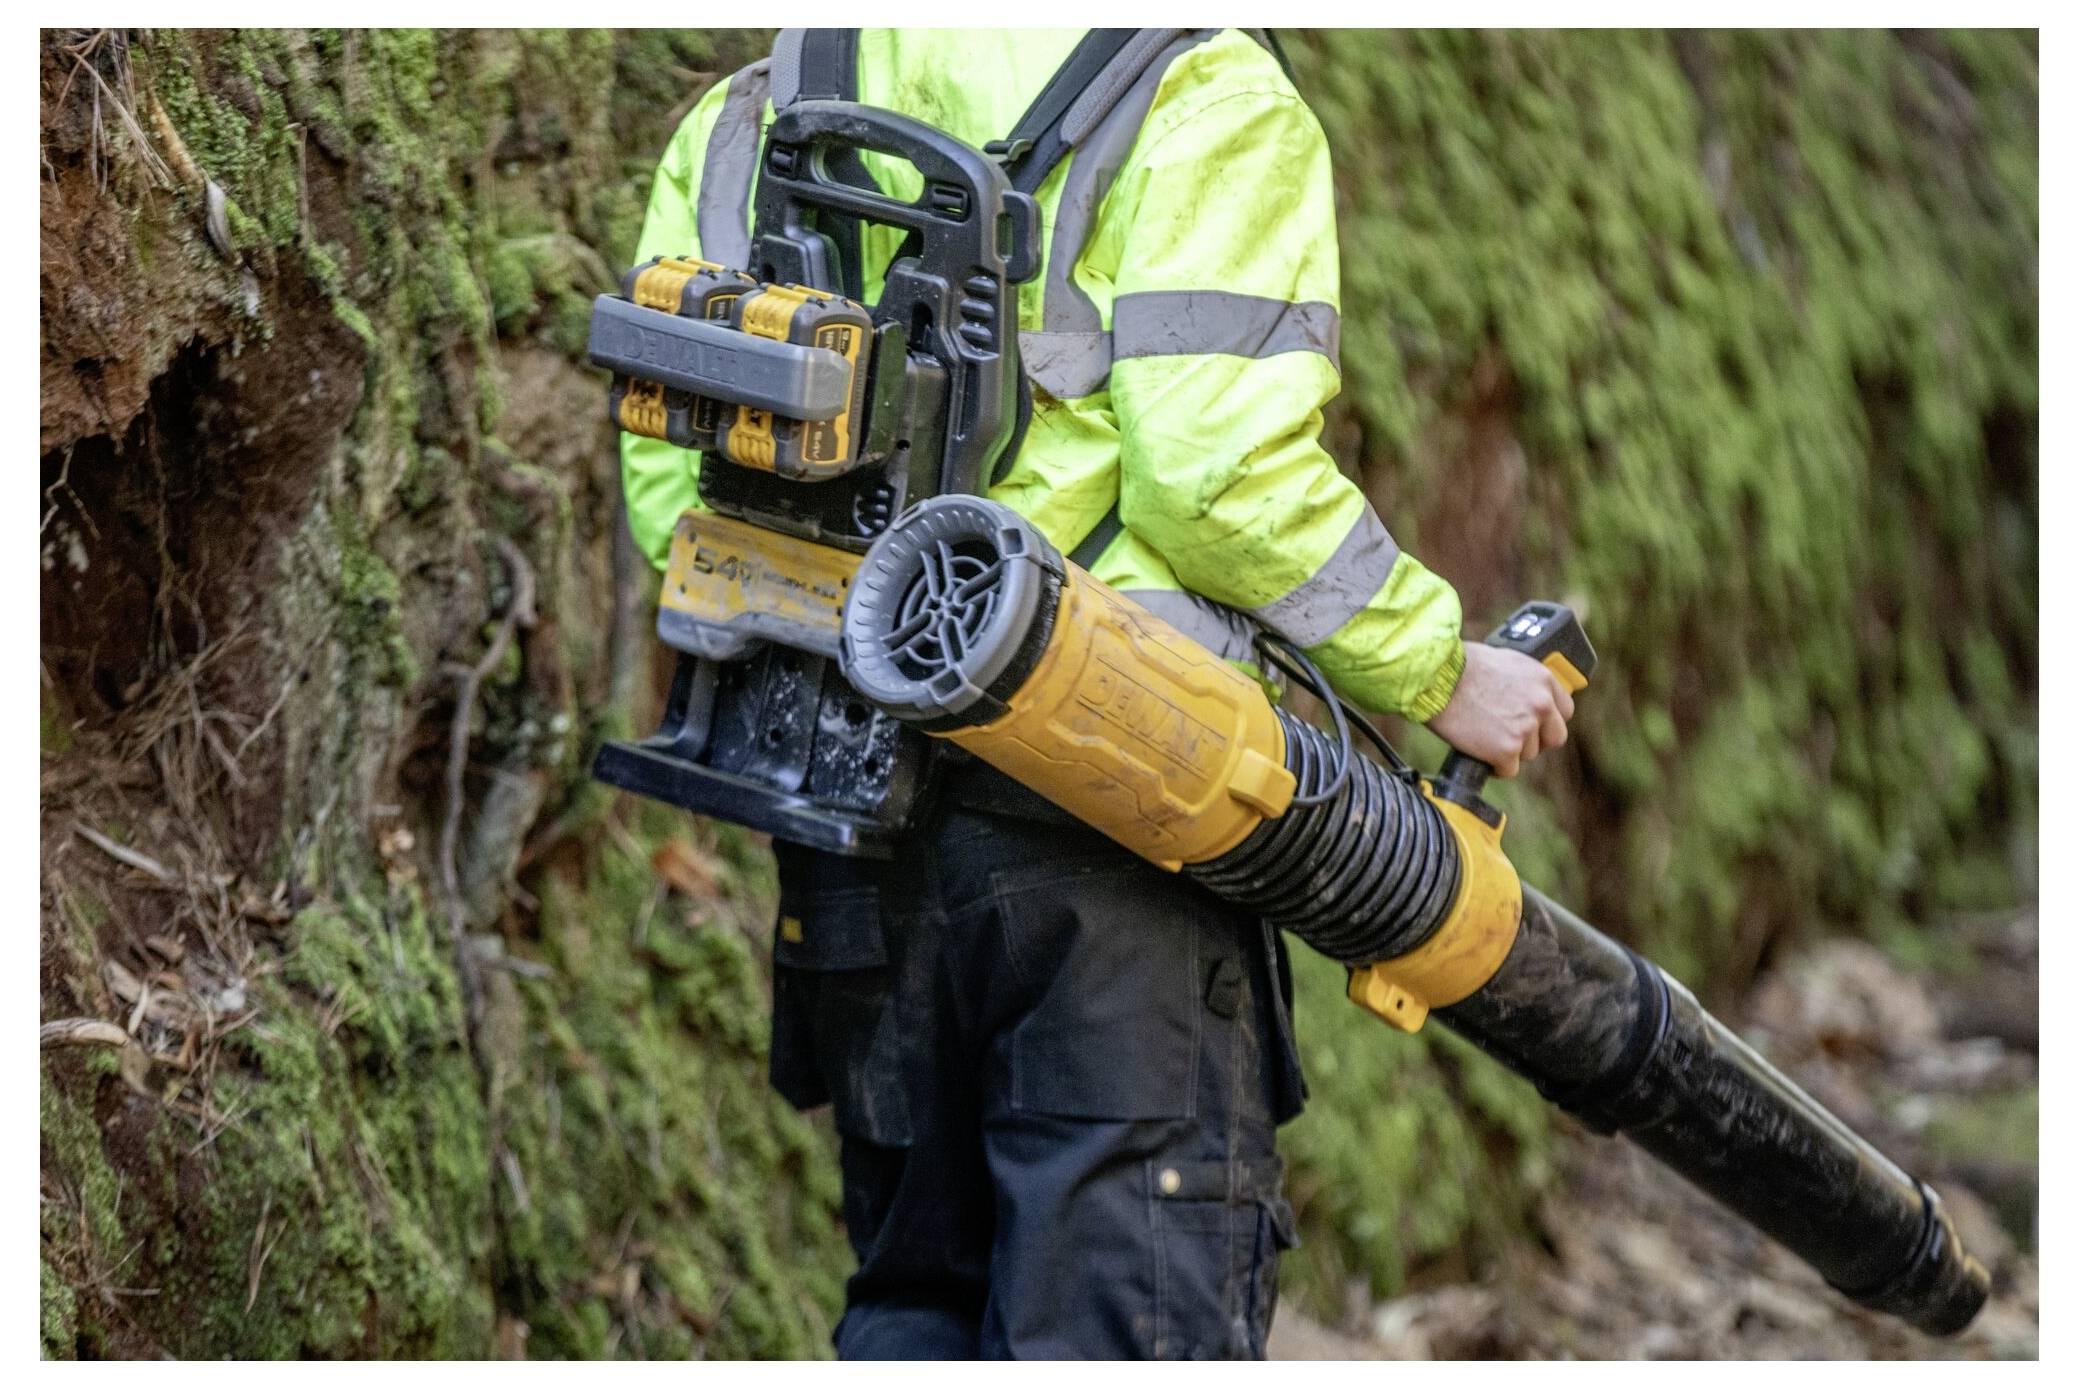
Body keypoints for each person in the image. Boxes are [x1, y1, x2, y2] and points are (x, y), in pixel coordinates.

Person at [621, 27, 1575, 1360]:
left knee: (916, 1305)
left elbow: (676, 496)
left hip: (843, 825)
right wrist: (1437, 666)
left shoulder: (759, 99)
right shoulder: (1205, 91)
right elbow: (1214, 478)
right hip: (1108, 809)